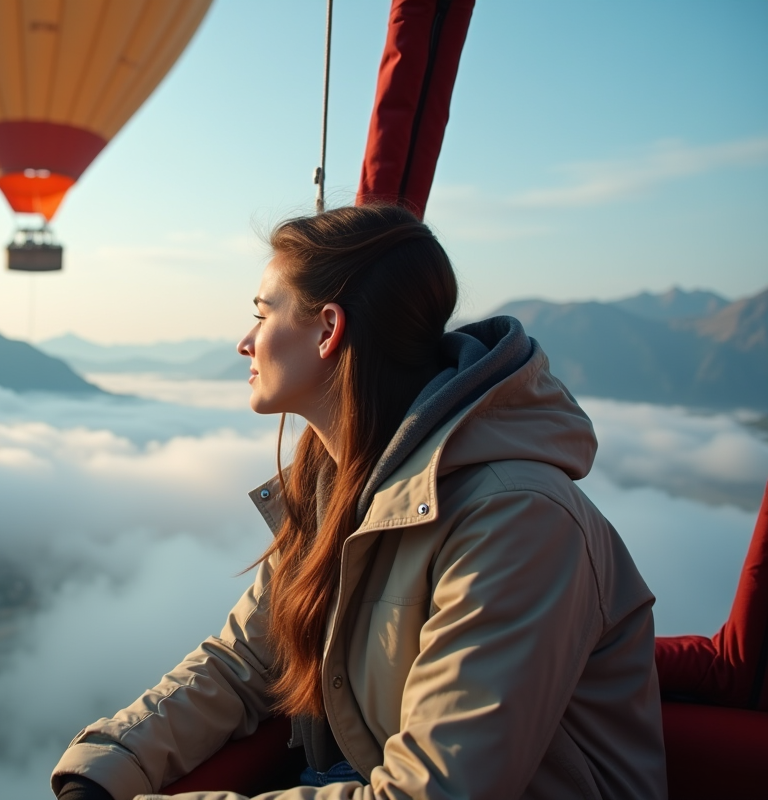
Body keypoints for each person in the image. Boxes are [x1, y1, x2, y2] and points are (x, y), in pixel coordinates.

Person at [51, 204, 667, 800]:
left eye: (263, 315)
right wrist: (104, 770)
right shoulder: (332, 482)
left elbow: (439, 792)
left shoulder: (518, 519)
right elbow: (245, 662)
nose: (245, 341)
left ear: (327, 329)